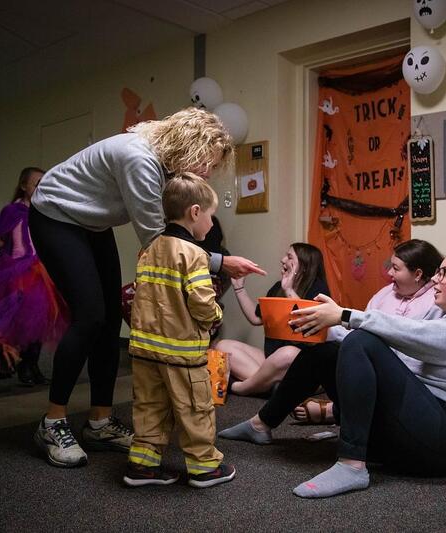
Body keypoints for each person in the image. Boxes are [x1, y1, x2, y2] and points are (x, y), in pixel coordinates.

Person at [29, 107, 266, 468]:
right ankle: (52, 422)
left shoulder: (163, 163)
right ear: (190, 146)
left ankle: (100, 423)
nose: (207, 171)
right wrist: (221, 262)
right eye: (207, 162)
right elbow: (160, 242)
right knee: (90, 317)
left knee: (110, 320)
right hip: (56, 214)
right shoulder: (139, 158)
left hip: (91, 223)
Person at [220, 248, 446, 498]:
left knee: (361, 341)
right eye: (437, 272)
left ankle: (352, 465)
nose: (435, 280)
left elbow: (417, 337)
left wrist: (345, 316)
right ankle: (262, 423)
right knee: (326, 352)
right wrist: (326, 324)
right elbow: (400, 353)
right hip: (416, 428)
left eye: (444, 273)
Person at [124, 173, 235, 488]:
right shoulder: (194, 254)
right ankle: (204, 467)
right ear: (195, 212)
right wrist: (215, 314)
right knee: (195, 409)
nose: (211, 224)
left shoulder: (149, 248)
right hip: (182, 354)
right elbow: (202, 303)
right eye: (210, 215)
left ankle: (142, 466)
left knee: (149, 407)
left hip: (145, 351)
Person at [289, 239, 443, 424]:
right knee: (321, 352)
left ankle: (335, 412)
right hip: (369, 368)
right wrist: (324, 330)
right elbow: (358, 334)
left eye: (396, 268)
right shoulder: (384, 294)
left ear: (417, 274)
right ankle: (264, 421)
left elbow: (413, 353)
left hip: (407, 382)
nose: (389, 273)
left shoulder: (436, 302)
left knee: (321, 354)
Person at [0, 167, 68, 385]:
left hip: (42, 271)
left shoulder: (46, 211)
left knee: (41, 320)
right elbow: (1, 241)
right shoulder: (12, 211)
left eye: (44, 183)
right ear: (24, 186)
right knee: (24, 320)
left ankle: (33, 364)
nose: (41, 188)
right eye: (36, 184)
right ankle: (24, 364)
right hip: (18, 271)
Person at [212, 243, 329, 396]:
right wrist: (239, 288)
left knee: (287, 353)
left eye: (289, 257)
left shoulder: (318, 289)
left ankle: (241, 387)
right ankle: (275, 388)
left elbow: (307, 322)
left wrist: (289, 290)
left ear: (304, 266)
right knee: (223, 346)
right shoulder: (277, 287)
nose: (283, 260)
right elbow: (256, 318)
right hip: (272, 359)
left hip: (301, 361)